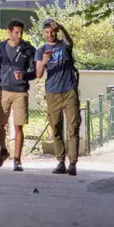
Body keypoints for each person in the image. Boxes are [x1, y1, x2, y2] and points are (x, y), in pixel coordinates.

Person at [0, 19, 36, 171]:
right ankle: (3, 151)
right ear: (8, 32)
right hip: (3, 90)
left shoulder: (29, 49)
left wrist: (24, 75)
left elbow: (35, 72)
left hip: (20, 92)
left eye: (21, 32)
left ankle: (17, 159)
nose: (19, 35)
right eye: (16, 32)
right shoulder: (0, 48)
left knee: (18, 127)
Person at [36, 18, 82, 175]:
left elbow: (70, 41)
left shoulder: (64, 45)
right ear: (44, 33)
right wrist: (43, 62)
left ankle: (73, 163)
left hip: (69, 91)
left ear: (56, 32)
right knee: (56, 128)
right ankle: (61, 162)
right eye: (47, 32)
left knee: (73, 127)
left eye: (52, 31)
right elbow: (38, 74)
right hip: (52, 93)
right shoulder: (41, 50)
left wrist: (62, 27)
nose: (50, 35)